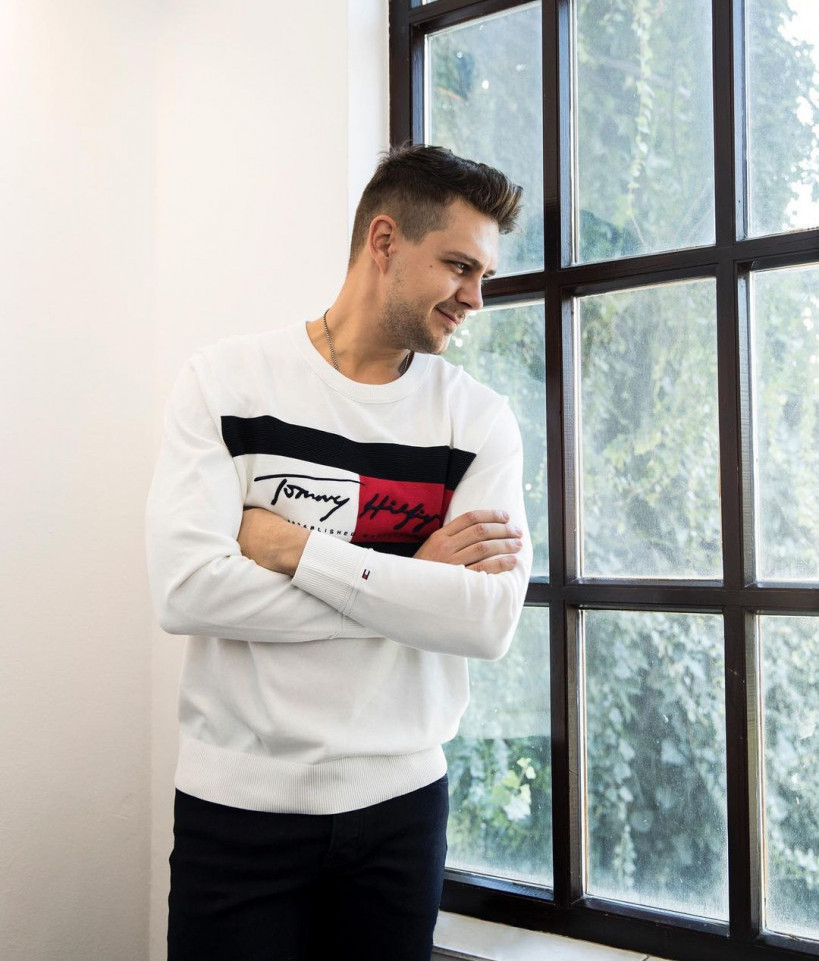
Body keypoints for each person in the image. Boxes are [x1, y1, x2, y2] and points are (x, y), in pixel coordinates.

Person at [146, 144, 533, 961]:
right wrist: (415, 586)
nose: (475, 297)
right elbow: (187, 590)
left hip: (401, 813)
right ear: (384, 241)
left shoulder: (478, 419)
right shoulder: (227, 382)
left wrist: (296, 549)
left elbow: (486, 621)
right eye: (459, 266)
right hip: (236, 811)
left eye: (484, 275)